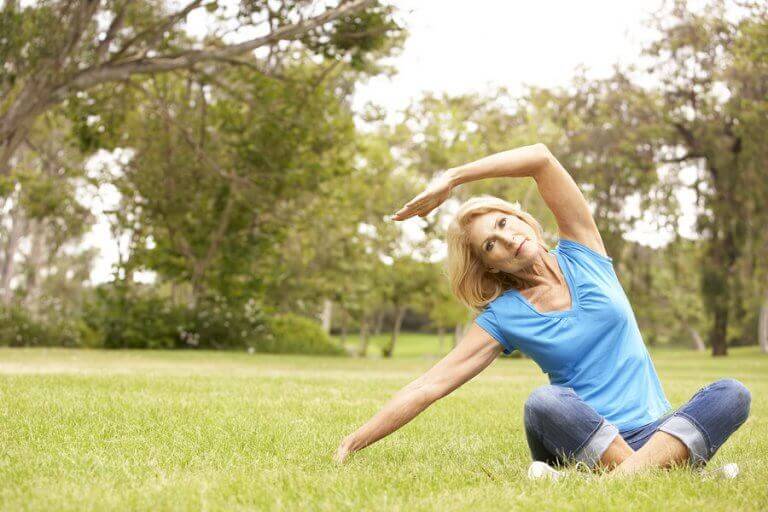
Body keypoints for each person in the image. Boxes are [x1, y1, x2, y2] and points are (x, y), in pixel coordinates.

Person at [333, 143, 751, 477]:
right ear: (489, 266)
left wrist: (454, 177)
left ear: (522, 218)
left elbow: (540, 158)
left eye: (501, 223)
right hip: (578, 434)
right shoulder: (504, 315)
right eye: (489, 245)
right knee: (543, 402)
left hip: (655, 430)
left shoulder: (584, 252)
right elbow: (429, 385)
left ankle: (626, 476)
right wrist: (353, 441)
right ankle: (668, 470)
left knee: (732, 393)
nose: (505, 238)